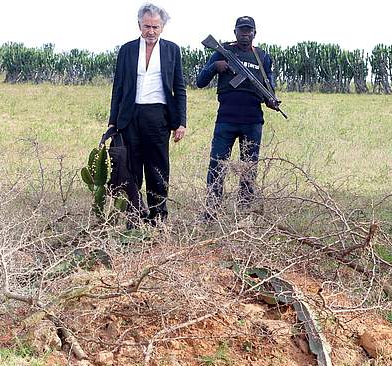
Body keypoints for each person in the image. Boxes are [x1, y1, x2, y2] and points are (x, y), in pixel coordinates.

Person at [108, 3, 187, 226]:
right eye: (146, 26)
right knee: (131, 168)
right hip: (130, 116)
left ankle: (158, 218)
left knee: (157, 168)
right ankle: (134, 216)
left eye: (155, 27)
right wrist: (113, 122)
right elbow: (118, 88)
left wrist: (181, 122)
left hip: (158, 116)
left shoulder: (172, 50)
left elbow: (179, 87)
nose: (150, 31)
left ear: (162, 27)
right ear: (139, 25)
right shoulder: (127, 50)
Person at [196, 16, 278, 219]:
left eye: (249, 30)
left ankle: (244, 211)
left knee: (248, 168)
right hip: (226, 120)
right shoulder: (222, 51)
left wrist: (271, 100)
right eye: (241, 30)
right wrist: (215, 67)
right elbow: (200, 81)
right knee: (217, 165)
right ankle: (211, 211)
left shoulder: (263, 57)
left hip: (252, 121)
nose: (245, 34)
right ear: (235, 32)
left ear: (255, 33)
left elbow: (270, 89)